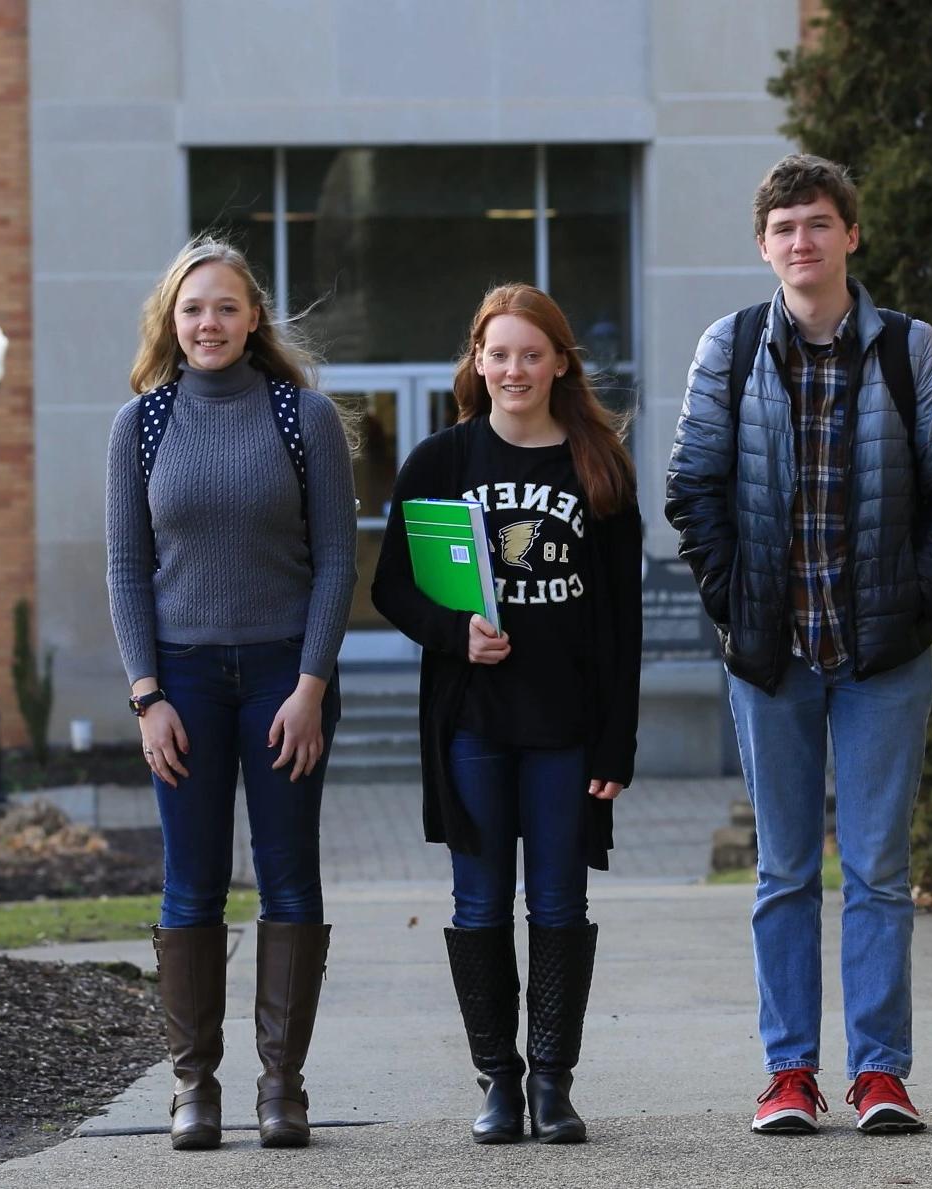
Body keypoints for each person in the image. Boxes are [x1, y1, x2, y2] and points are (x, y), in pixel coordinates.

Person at [663, 155, 932, 1136]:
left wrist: (918, 606)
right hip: (773, 657)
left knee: (882, 872)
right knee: (786, 874)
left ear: (851, 234)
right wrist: (734, 607)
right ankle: (790, 1073)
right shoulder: (729, 349)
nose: (801, 242)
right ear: (763, 247)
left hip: (883, 657)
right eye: (784, 228)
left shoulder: (908, 349)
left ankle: (882, 1073)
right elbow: (693, 490)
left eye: (817, 223)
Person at [371, 283, 643, 1146]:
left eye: (532, 353)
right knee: (479, 903)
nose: (514, 369)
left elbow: (622, 621)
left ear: (560, 361)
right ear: (477, 361)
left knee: (560, 903)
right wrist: (455, 634)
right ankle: (498, 1079)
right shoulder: (440, 461)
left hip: (566, 729)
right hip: (472, 726)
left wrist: (617, 739)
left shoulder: (597, 464)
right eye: (499, 354)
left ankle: (554, 1084)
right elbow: (390, 586)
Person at [105, 237, 357, 1150]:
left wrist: (310, 684)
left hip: (285, 679)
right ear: (170, 323)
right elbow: (127, 568)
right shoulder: (141, 424)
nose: (207, 323)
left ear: (254, 318)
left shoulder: (304, 418)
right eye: (191, 309)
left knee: (289, 875)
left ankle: (282, 1088)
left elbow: (337, 559)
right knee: (192, 881)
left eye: (224, 307)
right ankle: (194, 1089)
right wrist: (146, 695)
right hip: (182, 685)